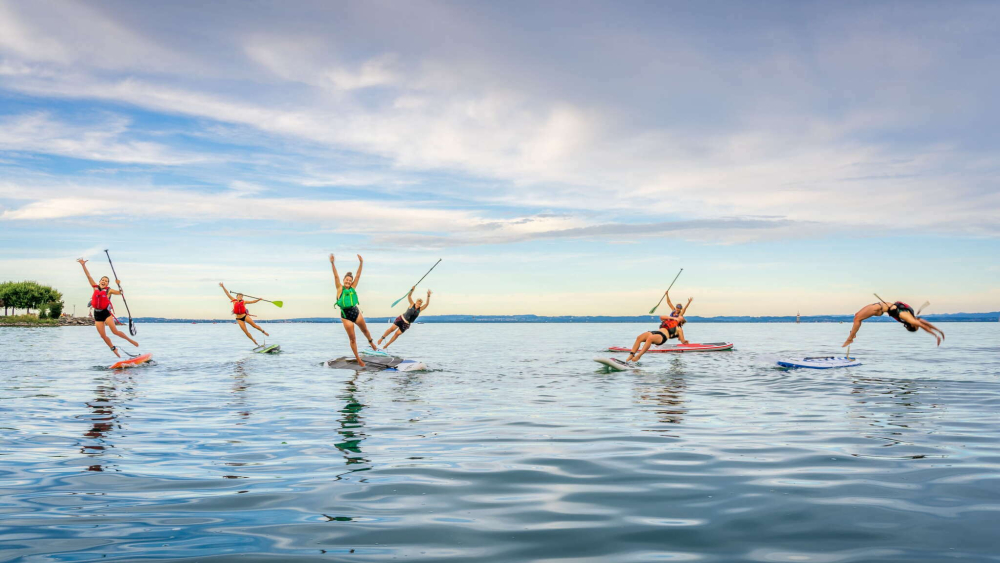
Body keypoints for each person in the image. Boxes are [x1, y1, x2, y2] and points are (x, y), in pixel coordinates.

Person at [77, 258, 139, 357]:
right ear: (100, 281)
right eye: (103, 280)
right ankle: (113, 348)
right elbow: (88, 276)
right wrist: (83, 265)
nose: (104, 282)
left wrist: (119, 284)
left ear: (107, 284)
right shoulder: (95, 287)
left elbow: (120, 293)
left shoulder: (109, 290)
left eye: (106, 281)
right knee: (102, 335)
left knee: (115, 332)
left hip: (106, 314)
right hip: (97, 314)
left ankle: (130, 340)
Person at [330, 254, 377, 367]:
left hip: (355, 312)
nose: (349, 282)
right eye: (347, 280)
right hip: (346, 315)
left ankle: (371, 342)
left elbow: (358, 275)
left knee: (365, 331)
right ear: (344, 280)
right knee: (352, 339)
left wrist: (361, 263)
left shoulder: (353, 287)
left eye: (350, 280)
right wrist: (332, 263)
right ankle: (358, 359)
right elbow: (336, 276)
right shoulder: (339, 288)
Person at [625, 291, 693, 363]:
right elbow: (667, 307)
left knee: (650, 339)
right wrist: (667, 294)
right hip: (657, 331)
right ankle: (631, 355)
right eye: (677, 307)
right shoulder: (672, 315)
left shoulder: (679, 327)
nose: (677, 309)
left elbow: (682, 340)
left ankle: (639, 356)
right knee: (639, 337)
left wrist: (684, 341)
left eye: (679, 308)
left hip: (663, 336)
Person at [843, 300, 945, 346]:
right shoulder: (912, 317)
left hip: (878, 308)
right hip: (879, 309)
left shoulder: (909, 319)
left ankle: (850, 338)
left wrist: (936, 335)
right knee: (857, 316)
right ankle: (853, 334)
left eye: (916, 326)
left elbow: (923, 325)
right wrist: (939, 332)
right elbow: (924, 322)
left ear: (912, 325)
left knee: (857, 319)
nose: (918, 324)